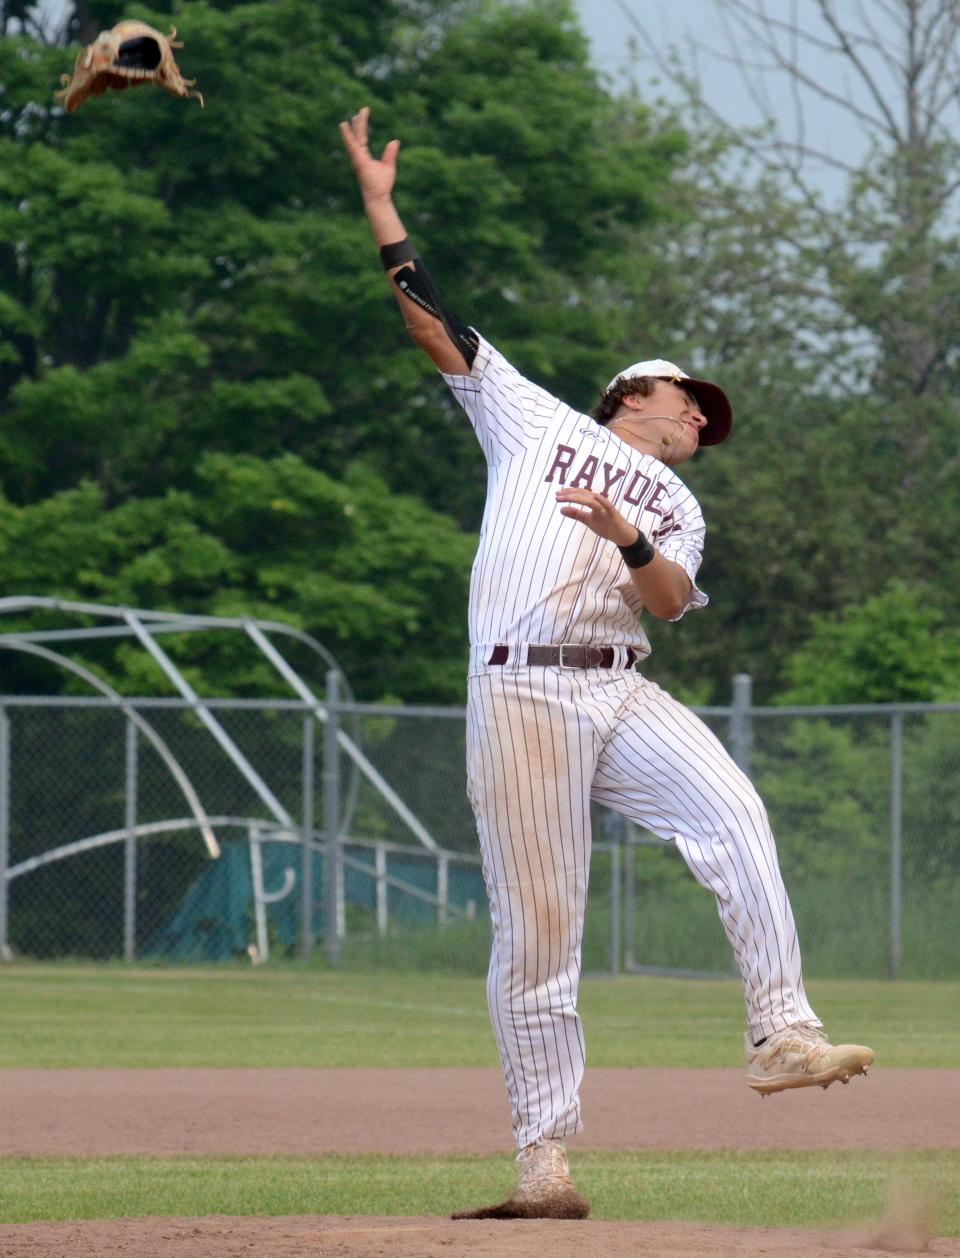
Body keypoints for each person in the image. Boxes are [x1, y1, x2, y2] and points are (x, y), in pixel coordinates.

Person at [340, 107, 874, 1222]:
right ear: (635, 394)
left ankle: (782, 1033)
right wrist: (384, 209)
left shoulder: (680, 500)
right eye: (689, 402)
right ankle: (545, 1166)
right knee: (541, 935)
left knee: (733, 807)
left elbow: (669, 603)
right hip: (521, 686)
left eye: (704, 419)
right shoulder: (535, 422)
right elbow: (436, 329)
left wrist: (632, 540)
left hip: (617, 682)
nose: (698, 422)